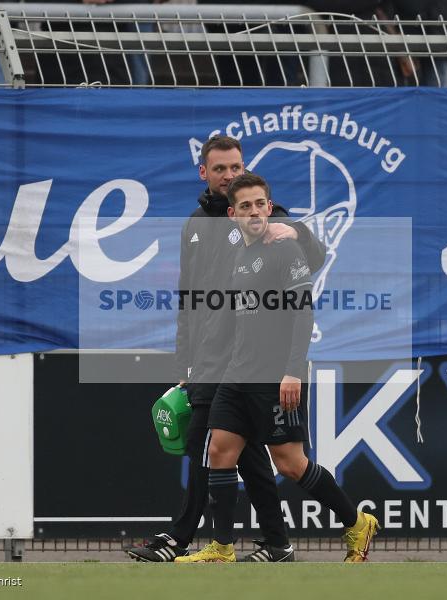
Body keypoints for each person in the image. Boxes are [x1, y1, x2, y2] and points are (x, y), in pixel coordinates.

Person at [127, 136, 326, 563]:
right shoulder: (195, 224)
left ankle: (180, 539)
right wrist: (185, 360)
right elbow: (188, 296)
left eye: (235, 167)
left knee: (205, 445)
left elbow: (314, 255)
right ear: (204, 172)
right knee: (248, 458)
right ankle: (278, 543)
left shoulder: (264, 217)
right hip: (209, 359)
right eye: (220, 169)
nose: (229, 175)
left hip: (247, 359)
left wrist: (297, 231)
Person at [176, 173, 379, 564]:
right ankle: (221, 547)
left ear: (270, 207)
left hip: (274, 377)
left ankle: (356, 522)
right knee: (218, 451)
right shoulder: (238, 256)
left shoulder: (285, 249)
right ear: (233, 214)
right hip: (237, 376)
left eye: (260, 204)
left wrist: (292, 371)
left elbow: (303, 314)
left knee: (290, 464)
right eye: (246, 206)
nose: (254, 212)